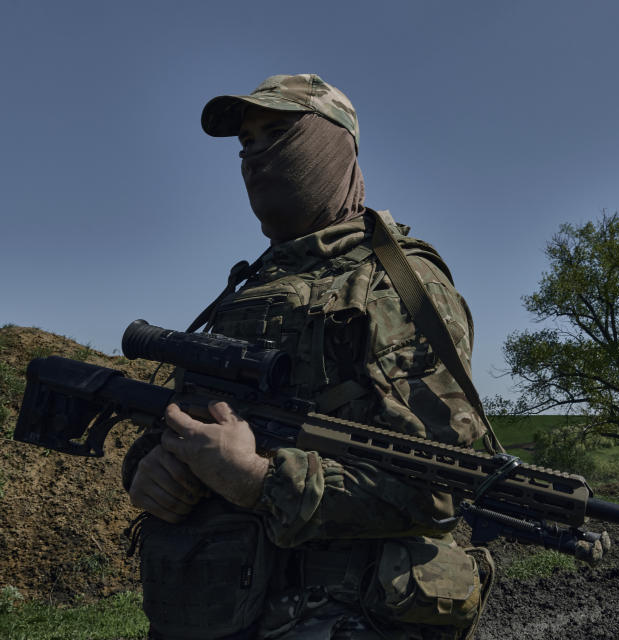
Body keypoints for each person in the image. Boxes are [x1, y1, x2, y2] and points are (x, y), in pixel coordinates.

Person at [122, 74, 492, 640]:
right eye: (245, 142)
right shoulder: (246, 292)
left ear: (331, 146)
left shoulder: (395, 285)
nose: (255, 154)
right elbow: (184, 419)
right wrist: (151, 467)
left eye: (277, 131)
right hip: (212, 611)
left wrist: (258, 480)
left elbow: (440, 487)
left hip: (343, 618)